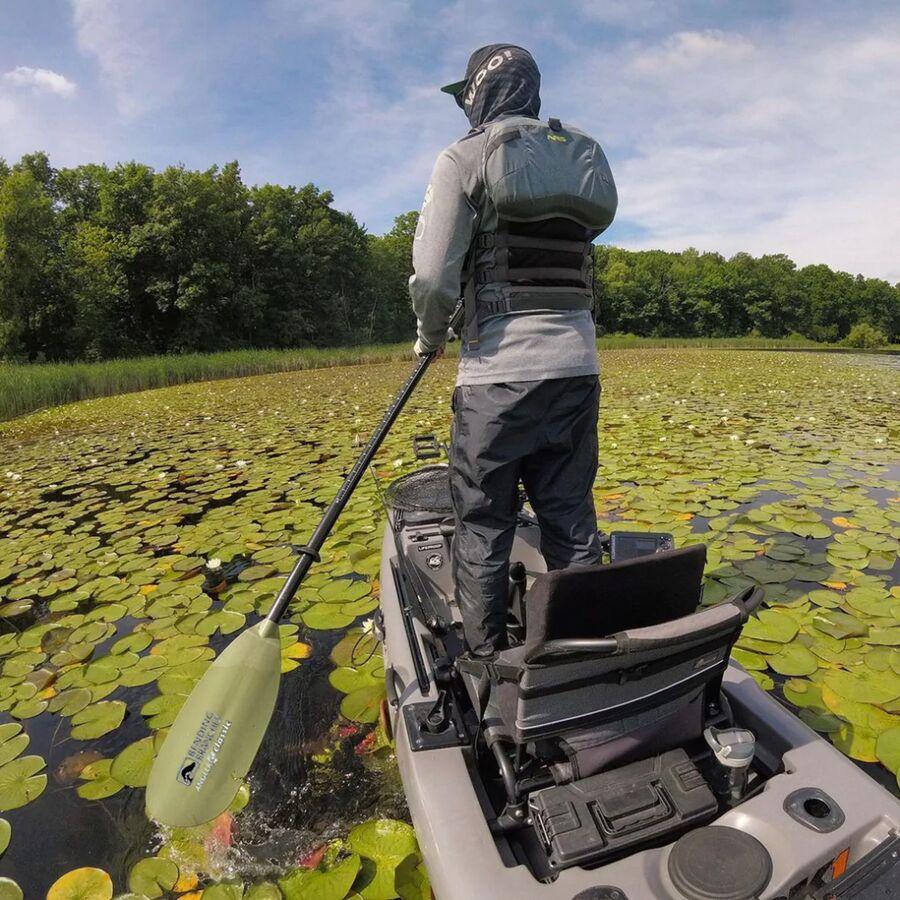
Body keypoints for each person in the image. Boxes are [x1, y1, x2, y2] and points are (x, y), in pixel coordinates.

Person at [409, 44, 616, 656]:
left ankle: (488, 667)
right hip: (577, 372)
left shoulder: (465, 156)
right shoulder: (574, 159)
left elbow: (432, 277)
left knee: (483, 525)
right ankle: (582, 655)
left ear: (477, 93)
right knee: (571, 520)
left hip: (498, 379)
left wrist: (429, 336)